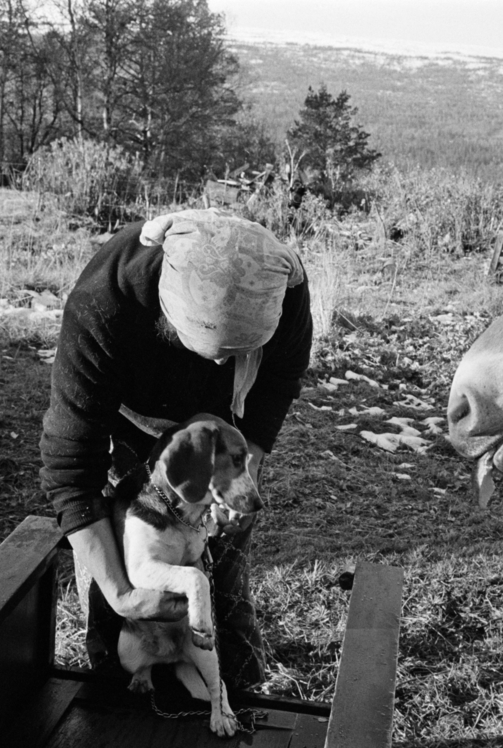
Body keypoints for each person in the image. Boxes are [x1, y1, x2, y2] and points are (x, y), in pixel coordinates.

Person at [39, 209, 312, 689]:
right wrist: (122, 593)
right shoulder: (105, 303)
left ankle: (237, 700)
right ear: (168, 310)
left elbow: (275, 388)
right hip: (127, 424)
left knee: (222, 584)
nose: (226, 363)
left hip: (223, 430)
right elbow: (69, 468)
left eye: (240, 353)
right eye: (214, 351)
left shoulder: (283, 288)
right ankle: (117, 703)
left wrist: (238, 474)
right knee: (122, 590)